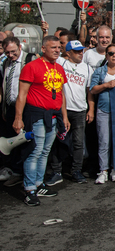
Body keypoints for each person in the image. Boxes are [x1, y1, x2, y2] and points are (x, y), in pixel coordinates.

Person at [13, 36, 70, 206]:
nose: (57, 50)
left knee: (45, 151)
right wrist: (18, 118)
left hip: (53, 115)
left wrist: (64, 116)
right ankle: (29, 189)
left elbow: (61, 95)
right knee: (34, 152)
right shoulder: (31, 67)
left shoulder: (59, 68)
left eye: (59, 47)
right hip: (36, 115)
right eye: (53, 47)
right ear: (43, 48)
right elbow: (21, 95)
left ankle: (38, 184)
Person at [47, 40, 94, 185]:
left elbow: (89, 91)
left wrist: (90, 109)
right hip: (63, 110)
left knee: (78, 143)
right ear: (68, 53)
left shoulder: (87, 68)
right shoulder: (61, 63)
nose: (81, 53)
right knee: (60, 141)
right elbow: (49, 52)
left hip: (80, 110)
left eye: (81, 51)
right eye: (76, 51)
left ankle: (76, 171)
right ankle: (56, 171)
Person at [90, 44, 115, 184]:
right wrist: (105, 85)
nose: (114, 56)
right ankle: (103, 171)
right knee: (104, 141)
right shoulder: (100, 71)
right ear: (106, 56)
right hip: (104, 109)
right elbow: (92, 89)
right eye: (111, 53)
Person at [0, 37, 37, 187]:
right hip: (9, 107)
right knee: (12, 140)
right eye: (7, 52)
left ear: (20, 47)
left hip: (26, 107)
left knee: (24, 140)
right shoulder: (5, 63)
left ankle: (23, 174)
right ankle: (14, 170)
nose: (11, 55)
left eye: (13, 52)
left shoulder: (30, 60)